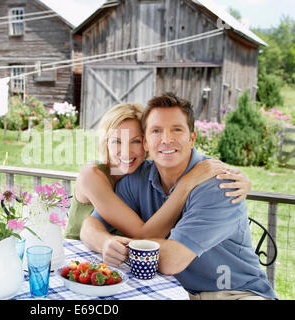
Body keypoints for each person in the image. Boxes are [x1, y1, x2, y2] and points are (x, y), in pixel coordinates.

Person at [80, 93, 277, 300]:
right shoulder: (135, 177)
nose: (166, 140)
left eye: (177, 129)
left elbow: (171, 260)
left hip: (235, 293)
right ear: (147, 142)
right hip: (170, 290)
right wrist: (104, 242)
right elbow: (89, 225)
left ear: (192, 138)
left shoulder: (220, 185)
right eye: (156, 131)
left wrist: (122, 248)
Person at [64, 102, 252, 242]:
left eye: (136, 141)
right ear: (105, 142)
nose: (127, 152)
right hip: (80, 253)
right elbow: (142, 234)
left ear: (146, 143)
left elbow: (183, 154)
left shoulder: (145, 172)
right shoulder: (93, 175)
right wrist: (186, 184)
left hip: (123, 261)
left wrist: (241, 179)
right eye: (117, 141)